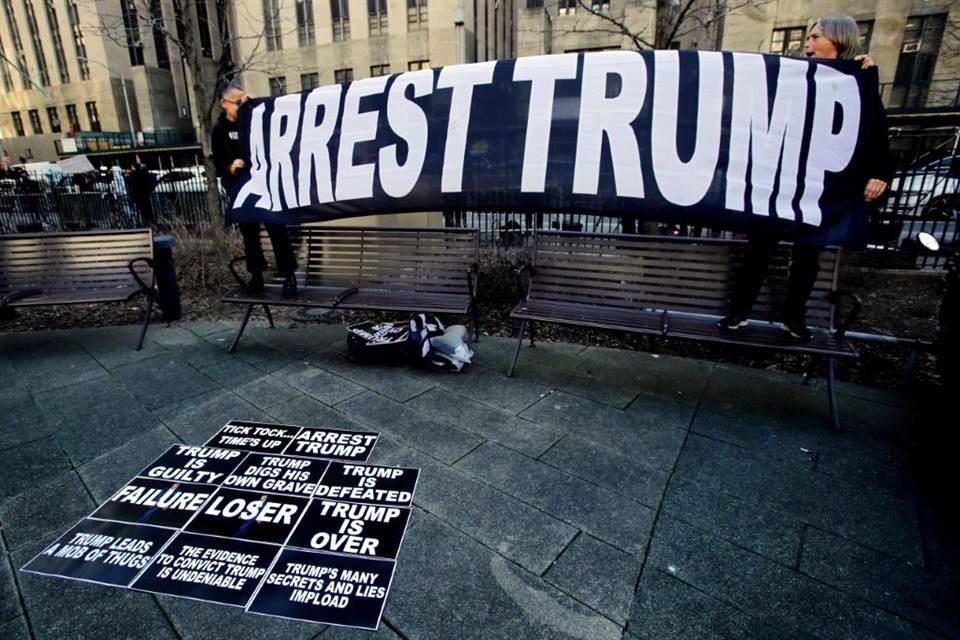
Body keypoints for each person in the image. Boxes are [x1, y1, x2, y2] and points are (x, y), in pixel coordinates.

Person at [720, 15, 893, 340]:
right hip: (780, 180)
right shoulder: (796, 75)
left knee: (807, 255)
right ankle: (738, 314)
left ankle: (793, 319)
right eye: (809, 37)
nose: (808, 44)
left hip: (819, 185)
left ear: (838, 39)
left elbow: (875, 130)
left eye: (815, 37)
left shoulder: (859, 78)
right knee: (759, 249)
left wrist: (880, 173)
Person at [211, 81, 298, 297]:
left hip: (265, 185)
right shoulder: (219, 130)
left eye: (244, 101)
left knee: (277, 230)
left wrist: (257, 105)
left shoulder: (254, 120)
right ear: (224, 103)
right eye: (237, 103)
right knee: (249, 235)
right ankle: (256, 276)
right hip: (241, 189)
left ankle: (289, 276)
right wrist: (231, 167)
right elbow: (219, 164)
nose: (242, 106)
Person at [125, 162, 157, 227]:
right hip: (145, 193)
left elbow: (130, 183)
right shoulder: (144, 173)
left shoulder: (134, 175)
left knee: (140, 210)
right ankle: (150, 221)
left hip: (138, 194)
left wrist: (127, 177)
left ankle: (144, 223)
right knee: (148, 209)